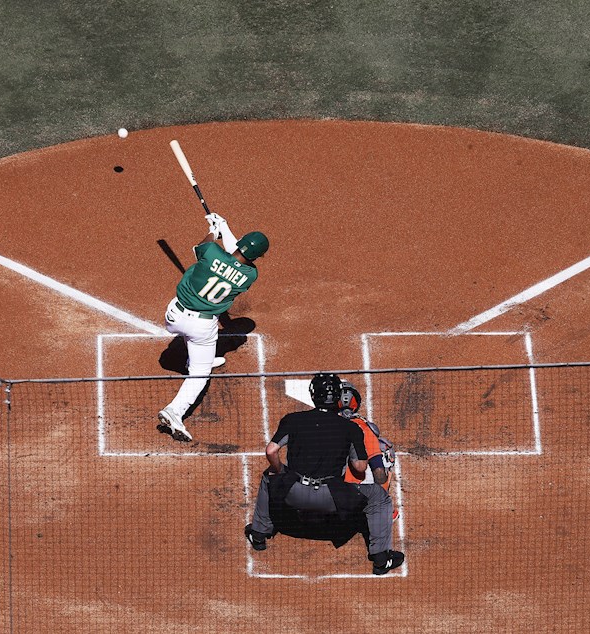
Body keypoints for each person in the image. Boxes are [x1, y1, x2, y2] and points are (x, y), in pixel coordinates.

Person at [244, 373, 405, 575]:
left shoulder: (293, 420)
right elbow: (360, 468)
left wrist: (279, 471)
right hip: (331, 498)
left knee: (269, 478)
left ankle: (258, 535)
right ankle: (382, 559)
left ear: (313, 395)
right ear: (337, 398)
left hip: (293, 493)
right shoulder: (350, 428)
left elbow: (271, 451)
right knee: (379, 497)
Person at [157, 212, 269, 442]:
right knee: (201, 372)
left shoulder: (209, 252)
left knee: (195, 340)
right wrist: (225, 229)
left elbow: (204, 246)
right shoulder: (250, 276)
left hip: (173, 317)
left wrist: (214, 231)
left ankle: (196, 357)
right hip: (201, 326)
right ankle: (174, 411)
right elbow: (235, 258)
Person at [338, 379, 399, 520]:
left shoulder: (323, 424)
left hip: (325, 494)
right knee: (385, 450)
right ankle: (383, 509)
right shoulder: (363, 427)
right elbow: (378, 472)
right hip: (354, 495)